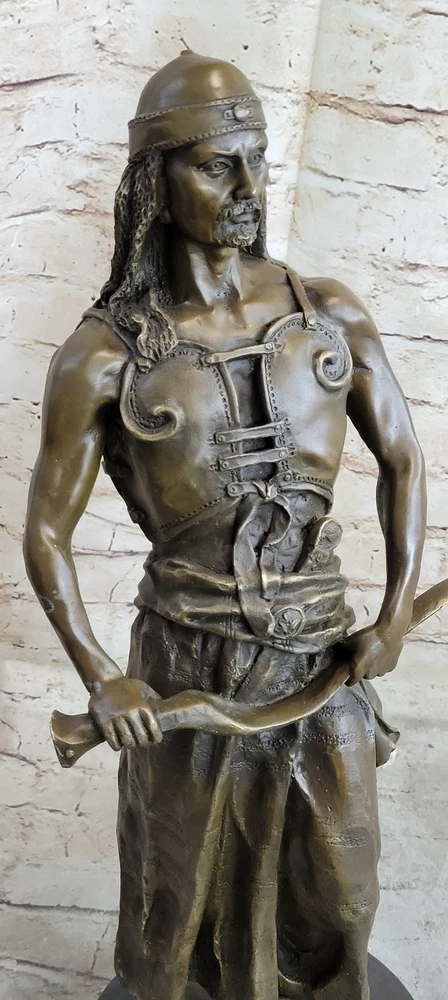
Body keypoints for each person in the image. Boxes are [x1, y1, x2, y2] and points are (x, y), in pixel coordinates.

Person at [23, 51, 426, 1000]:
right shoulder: (103, 357)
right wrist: (102, 676)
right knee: (178, 897)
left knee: (342, 895)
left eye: (258, 159)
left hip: (321, 662)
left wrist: (395, 611)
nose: (250, 188)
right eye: (217, 165)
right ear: (154, 183)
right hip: (186, 662)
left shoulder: (329, 315)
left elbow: (404, 462)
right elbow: (45, 533)